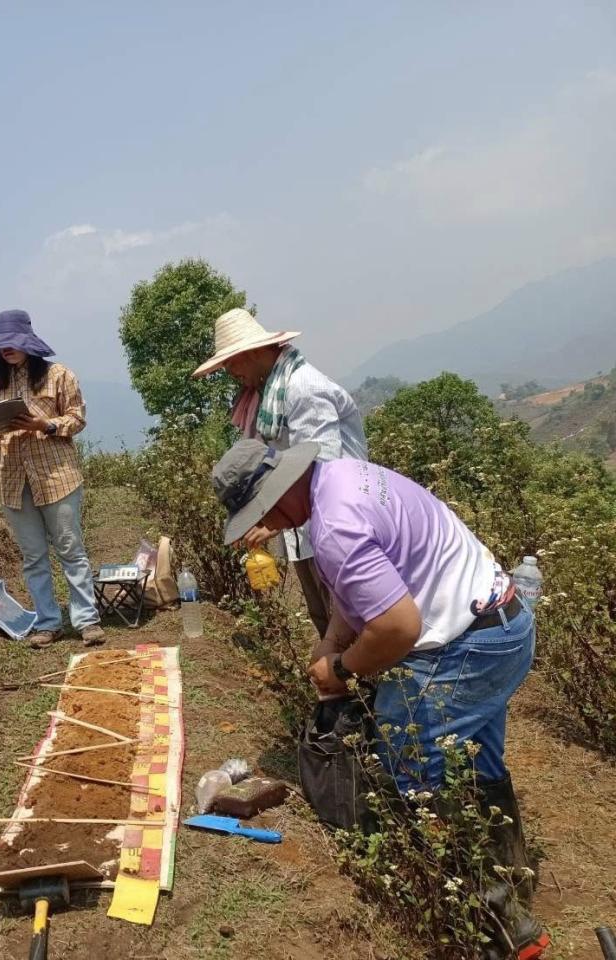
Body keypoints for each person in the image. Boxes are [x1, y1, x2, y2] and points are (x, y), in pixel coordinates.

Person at [211, 438, 548, 960]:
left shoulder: (334, 527)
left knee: (413, 767)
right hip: (502, 625)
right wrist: (331, 642)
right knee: (476, 763)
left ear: (276, 493)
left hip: (464, 647)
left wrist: (343, 669)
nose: (267, 525)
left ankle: (502, 930)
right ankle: (512, 878)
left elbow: (396, 627)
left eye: (262, 513)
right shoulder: (343, 479)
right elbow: (368, 592)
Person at [194, 309, 366, 638]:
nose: (231, 373)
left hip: (336, 525)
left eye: (231, 364)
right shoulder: (268, 394)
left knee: (349, 620)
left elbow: (322, 469)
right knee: (324, 617)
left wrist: (273, 522)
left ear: (253, 353)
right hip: (304, 528)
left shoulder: (303, 389)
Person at [0, 310, 104, 650]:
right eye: (2, 344)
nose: (7, 349)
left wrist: (44, 425)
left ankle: (87, 621)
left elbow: (77, 419)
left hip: (57, 476)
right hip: (14, 480)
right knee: (34, 556)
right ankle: (48, 623)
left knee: (70, 549)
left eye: (13, 342)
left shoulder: (58, 375)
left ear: (28, 342)